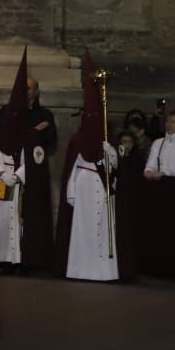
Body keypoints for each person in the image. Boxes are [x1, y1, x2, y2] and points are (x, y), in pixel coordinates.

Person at [0, 50, 55, 274]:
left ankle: (26, 259)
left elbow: (49, 141)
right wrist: (32, 132)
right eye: (23, 87)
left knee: (27, 217)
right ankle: (3, 259)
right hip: (4, 171)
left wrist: (33, 134)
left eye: (30, 87)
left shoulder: (44, 114)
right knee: (2, 218)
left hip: (29, 175)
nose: (26, 91)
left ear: (37, 91)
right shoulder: (6, 111)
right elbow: (0, 136)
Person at [56, 57, 120, 283]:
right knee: (82, 229)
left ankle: (103, 271)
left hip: (101, 184)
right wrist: (71, 191)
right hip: (84, 185)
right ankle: (80, 268)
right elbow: (72, 167)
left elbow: (116, 167)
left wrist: (110, 153)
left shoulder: (108, 137)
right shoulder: (78, 140)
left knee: (102, 228)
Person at [142, 112, 175, 179]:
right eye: (167, 121)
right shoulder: (157, 142)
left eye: (173, 122)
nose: (168, 124)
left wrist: (165, 173)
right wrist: (148, 171)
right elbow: (151, 163)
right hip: (159, 181)